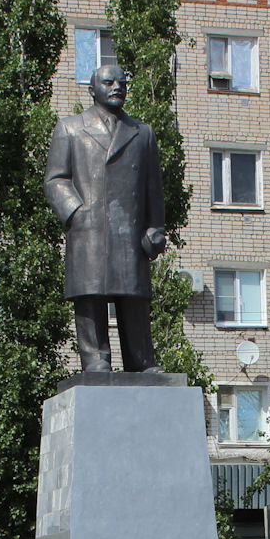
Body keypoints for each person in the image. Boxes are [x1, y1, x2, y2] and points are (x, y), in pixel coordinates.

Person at [43, 62, 169, 373]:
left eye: (122, 82)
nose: (117, 87)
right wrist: (77, 212)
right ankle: (95, 359)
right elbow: (55, 179)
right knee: (90, 297)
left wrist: (156, 227)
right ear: (92, 90)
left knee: (134, 299)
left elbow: (154, 187)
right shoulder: (70, 128)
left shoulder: (142, 133)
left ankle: (141, 362)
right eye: (109, 82)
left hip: (130, 230)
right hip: (89, 229)